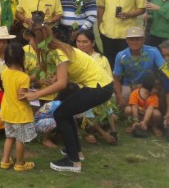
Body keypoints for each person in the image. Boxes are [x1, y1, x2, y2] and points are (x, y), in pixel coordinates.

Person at [20, 24, 113, 173]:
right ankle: (76, 153)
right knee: (65, 112)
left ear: (40, 40)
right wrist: (24, 79)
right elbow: (53, 75)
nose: (30, 43)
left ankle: (73, 162)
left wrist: (36, 95)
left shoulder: (59, 53)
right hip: (97, 85)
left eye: (31, 39)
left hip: (99, 87)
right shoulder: (53, 52)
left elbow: (62, 84)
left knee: (60, 114)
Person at [97, 0, 147, 69]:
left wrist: (130, 14)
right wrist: (100, 26)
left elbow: (142, 8)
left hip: (126, 34)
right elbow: (101, 6)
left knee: (125, 63)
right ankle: (110, 84)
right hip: (107, 32)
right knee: (109, 62)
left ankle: (124, 84)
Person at [0, 43, 36, 172]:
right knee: (20, 140)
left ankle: (5, 161)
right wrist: (34, 94)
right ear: (22, 58)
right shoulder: (24, 77)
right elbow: (22, 96)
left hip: (7, 111)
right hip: (20, 114)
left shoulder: (4, 73)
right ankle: (20, 163)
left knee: (9, 137)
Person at [113, 27, 165, 109]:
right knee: (113, 97)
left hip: (148, 85)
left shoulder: (153, 51)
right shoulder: (121, 55)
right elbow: (116, 78)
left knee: (163, 90)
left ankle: (161, 117)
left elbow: (163, 69)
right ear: (127, 40)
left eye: (137, 39)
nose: (134, 42)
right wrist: (119, 97)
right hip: (128, 86)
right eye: (131, 39)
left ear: (143, 40)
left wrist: (145, 85)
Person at [125, 73, 162, 137]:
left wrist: (145, 122)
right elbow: (134, 107)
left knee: (157, 114)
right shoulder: (135, 93)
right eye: (155, 89)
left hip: (148, 116)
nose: (157, 91)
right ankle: (133, 124)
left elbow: (150, 110)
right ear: (150, 87)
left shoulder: (154, 97)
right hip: (137, 114)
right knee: (128, 109)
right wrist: (135, 120)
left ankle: (153, 126)